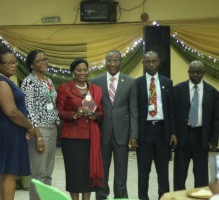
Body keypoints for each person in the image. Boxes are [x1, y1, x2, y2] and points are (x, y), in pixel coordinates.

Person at [0, 46, 36, 200]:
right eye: (8, 63)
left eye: (14, 62)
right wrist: (29, 126)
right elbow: (11, 111)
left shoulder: (6, 80)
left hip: (12, 131)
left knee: (8, 173)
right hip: (8, 132)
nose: (13, 65)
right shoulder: (1, 83)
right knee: (10, 173)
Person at [91, 50, 138, 199]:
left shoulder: (130, 82)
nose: (112, 63)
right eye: (109, 60)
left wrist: (134, 135)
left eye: (116, 60)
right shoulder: (96, 81)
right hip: (102, 133)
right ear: (105, 62)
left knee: (121, 170)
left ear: (121, 62)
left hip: (122, 134)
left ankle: (120, 196)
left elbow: (134, 111)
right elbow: (92, 107)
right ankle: (102, 196)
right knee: (102, 170)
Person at [56, 58, 104, 200]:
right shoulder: (65, 88)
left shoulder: (95, 89)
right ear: (73, 72)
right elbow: (59, 111)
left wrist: (94, 115)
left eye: (85, 70)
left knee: (88, 172)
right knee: (74, 173)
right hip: (72, 138)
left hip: (91, 137)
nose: (83, 73)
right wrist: (75, 114)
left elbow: (101, 111)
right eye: (79, 70)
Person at [136, 51, 177, 200]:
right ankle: (143, 198)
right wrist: (134, 135)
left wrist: (172, 132)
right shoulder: (137, 83)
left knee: (163, 170)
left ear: (159, 62)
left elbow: (171, 110)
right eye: (148, 61)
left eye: (154, 61)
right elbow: (135, 111)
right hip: (144, 131)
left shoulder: (167, 82)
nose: (151, 64)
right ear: (144, 64)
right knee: (143, 170)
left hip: (162, 131)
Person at [173, 60, 219, 191]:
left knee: (201, 174)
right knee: (180, 173)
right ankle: (179, 197)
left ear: (203, 73)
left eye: (198, 72)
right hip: (183, 135)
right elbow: (172, 115)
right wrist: (173, 134)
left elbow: (216, 119)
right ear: (188, 72)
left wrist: (214, 140)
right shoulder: (178, 90)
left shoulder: (213, 93)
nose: (195, 75)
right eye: (192, 72)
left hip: (202, 137)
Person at [21, 49, 60, 200]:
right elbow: (29, 110)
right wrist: (37, 136)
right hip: (40, 130)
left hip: (52, 128)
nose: (43, 63)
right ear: (31, 65)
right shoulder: (29, 81)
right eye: (39, 61)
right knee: (38, 173)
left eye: (45, 59)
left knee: (48, 172)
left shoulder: (48, 81)